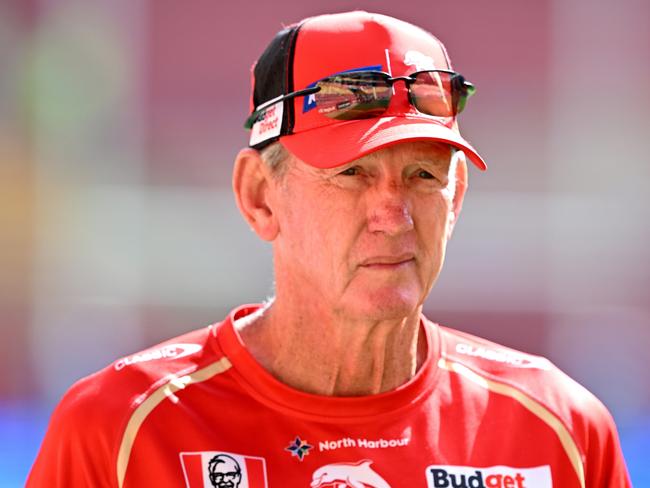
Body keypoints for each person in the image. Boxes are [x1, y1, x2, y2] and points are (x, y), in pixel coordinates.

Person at [27, 11, 631, 488]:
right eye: (352, 174)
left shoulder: (561, 429)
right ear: (260, 196)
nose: (393, 216)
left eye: (423, 177)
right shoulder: (120, 430)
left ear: (457, 197)